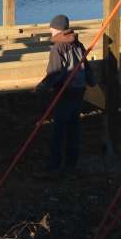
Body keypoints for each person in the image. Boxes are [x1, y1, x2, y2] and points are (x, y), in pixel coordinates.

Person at [35, 14, 95, 176]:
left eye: (51, 28)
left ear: (56, 29)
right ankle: (71, 163)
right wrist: (91, 81)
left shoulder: (57, 48)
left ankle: (54, 166)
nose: (50, 30)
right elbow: (86, 65)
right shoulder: (77, 44)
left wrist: (41, 87)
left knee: (59, 129)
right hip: (79, 89)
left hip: (65, 91)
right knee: (73, 127)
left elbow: (55, 73)